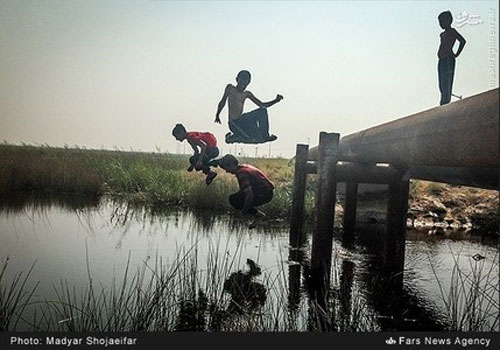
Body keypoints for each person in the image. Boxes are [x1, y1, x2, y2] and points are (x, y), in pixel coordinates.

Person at [215, 70, 283, 143]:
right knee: (249, 138)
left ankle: (265, 135)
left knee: (262, 111)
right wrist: (217, 114)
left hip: (243, 121)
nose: (242, 86)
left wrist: (275, 100)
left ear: (248, 83)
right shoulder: (230, 88)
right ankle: (233, 137)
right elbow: (223, 101)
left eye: (245, 84)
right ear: (237, 80)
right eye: (241, 83)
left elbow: (262, 105)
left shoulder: (247, 94)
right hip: (234, 123)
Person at [218, 154, 274, 228]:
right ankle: (258, 215)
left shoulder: (241, 173)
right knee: (237, 198)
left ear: (231, 164)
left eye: (226, 168)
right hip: (265, 191)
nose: (227, 171)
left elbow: (249, 195)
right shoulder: (244, 167)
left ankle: (259, 215)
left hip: (264, 194)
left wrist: (243, 211)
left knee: (233, 200)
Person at [437, 11, 466, 105]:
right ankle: (443, 100)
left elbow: (462, 41)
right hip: (441, 60)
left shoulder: (452, 31)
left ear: (448, 20)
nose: (441, 24)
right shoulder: (442, 34)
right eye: (440, 22)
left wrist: (456, 54)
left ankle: (446, 101)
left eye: (442, 21)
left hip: (448, 60)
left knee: (447, 81)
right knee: (441, 83)